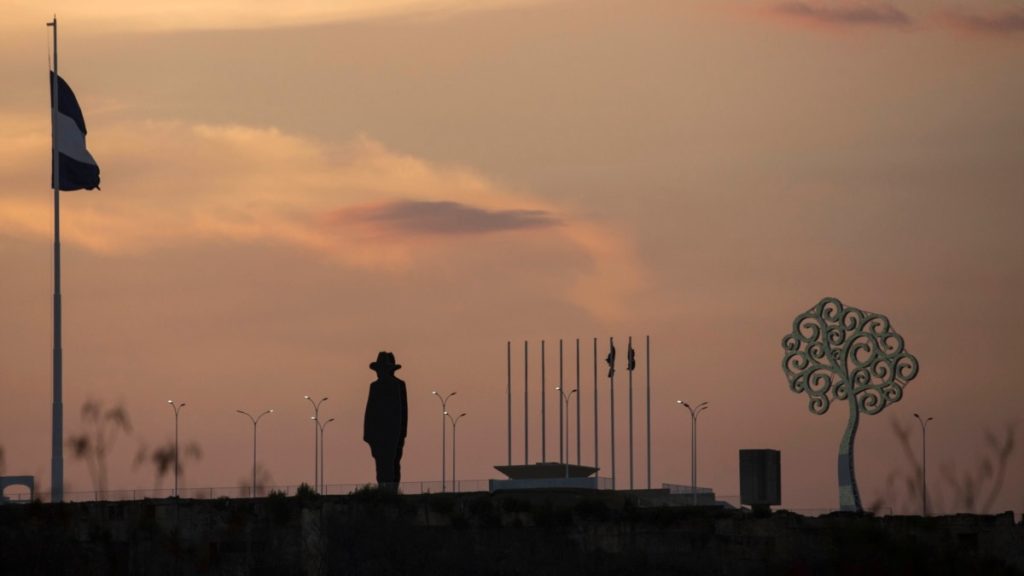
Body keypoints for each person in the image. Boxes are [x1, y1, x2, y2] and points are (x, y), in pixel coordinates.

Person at [363, 351, 408, 491]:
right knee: (381, 466)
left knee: (390, 465)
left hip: (392, 434)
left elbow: (401, 412)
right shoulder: (374, 386)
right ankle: (384, 489)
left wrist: (400, 434)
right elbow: (369, 411)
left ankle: (389, 490)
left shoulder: (397, 386)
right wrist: (368, 435)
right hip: (378, 435)